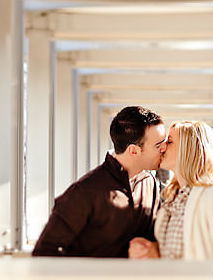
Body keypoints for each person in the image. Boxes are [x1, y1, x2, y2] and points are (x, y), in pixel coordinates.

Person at [32, 106, 166, 257]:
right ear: (134, 150)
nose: (164, 148)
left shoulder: (150, 183)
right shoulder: (84, 192)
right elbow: (44, 252)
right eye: (158, 145)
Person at [129, 120, 213, 260]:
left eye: (169, 142)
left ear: (188, 149)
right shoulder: (173, 200)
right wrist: (153, 250)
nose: (162, 148)